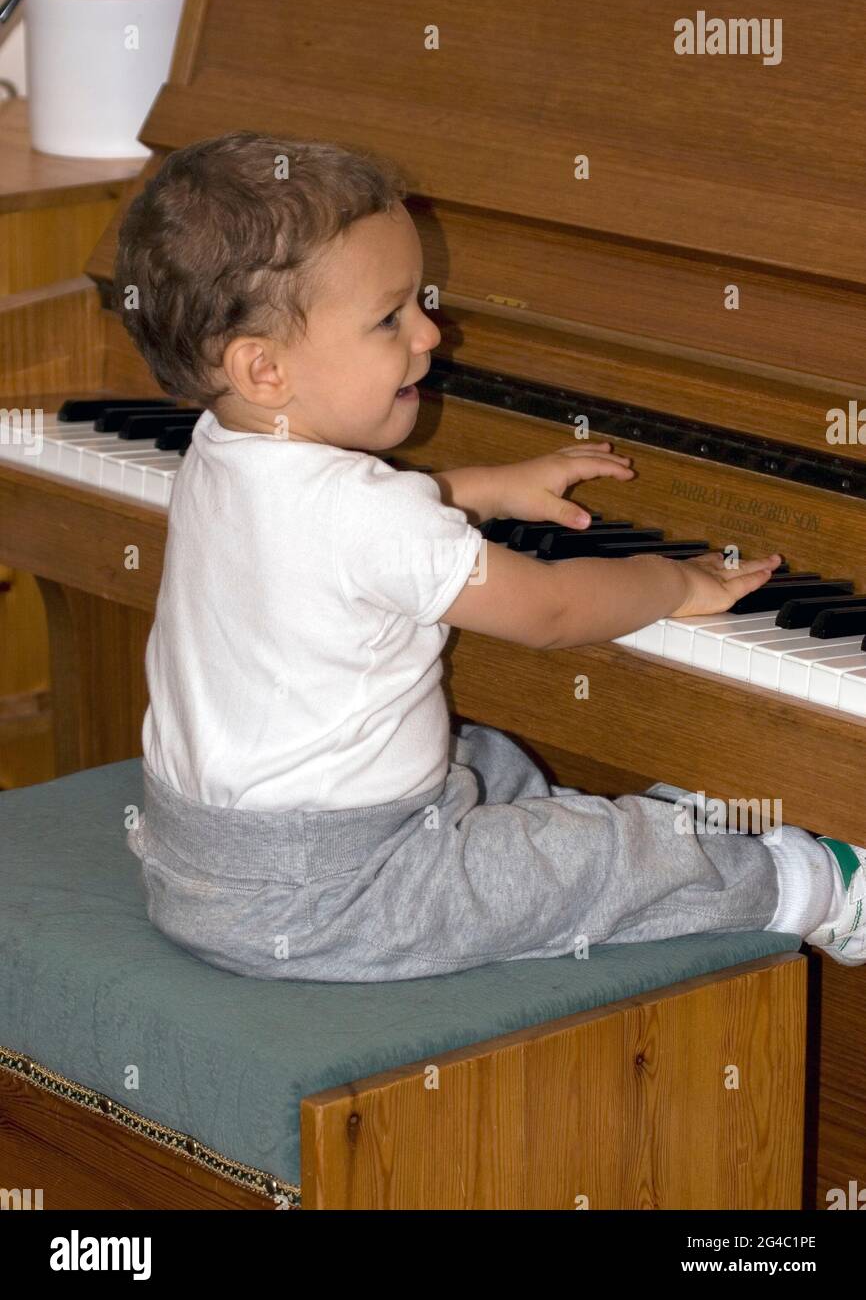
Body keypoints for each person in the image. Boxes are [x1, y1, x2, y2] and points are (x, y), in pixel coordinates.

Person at [115, 131, 864, 980]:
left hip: (201, 861)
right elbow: (548, 611)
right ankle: (818, 887)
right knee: (615, 860)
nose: (431, 333)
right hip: (339, 895)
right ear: (265, 369)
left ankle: (625, 834)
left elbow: (340, 538)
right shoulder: (365, 515)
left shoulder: (220, 447)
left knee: (487, 762)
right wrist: (673, 580)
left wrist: (488, 488)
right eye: (390, 317)